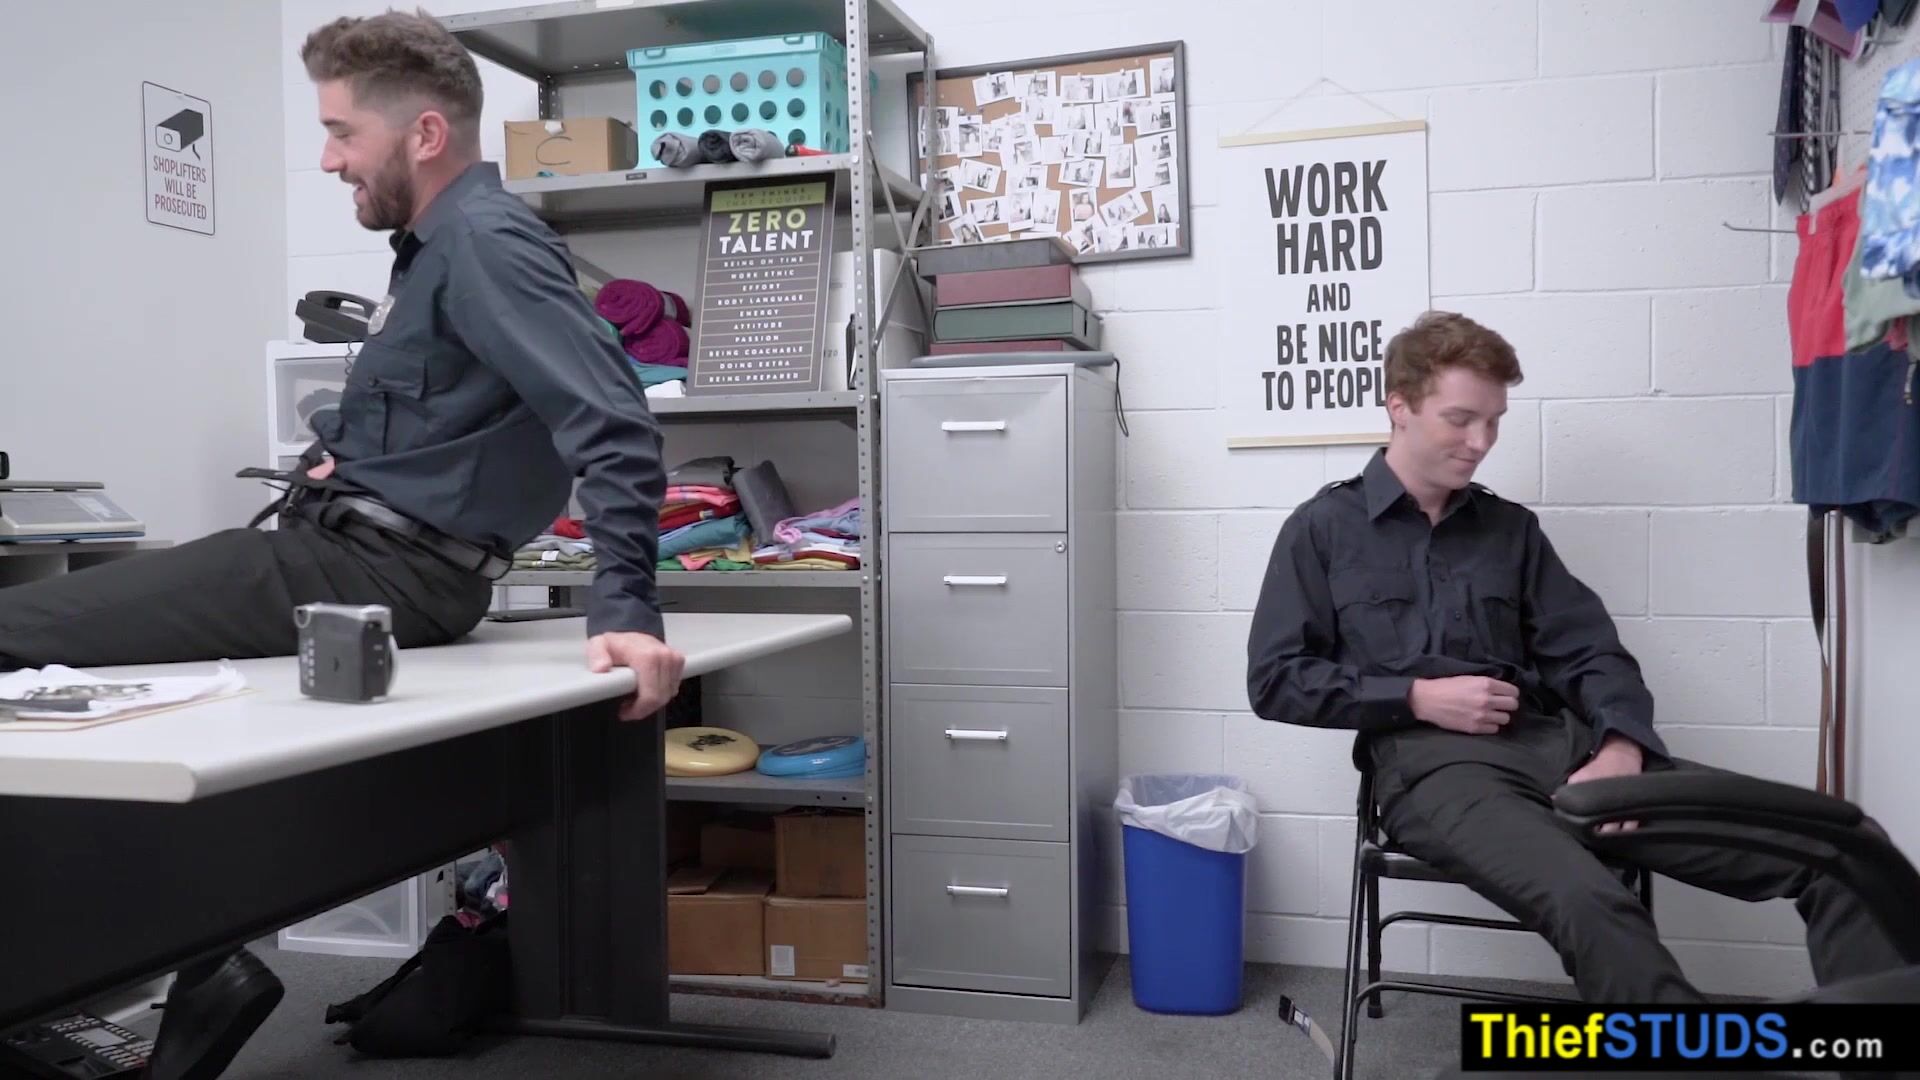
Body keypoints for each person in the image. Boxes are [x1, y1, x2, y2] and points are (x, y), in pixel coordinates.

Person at [0, 11, 684, 1077]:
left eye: (339, 133)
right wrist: (351, 457)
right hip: (372, 552)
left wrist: (627, 608)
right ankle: (116, 970)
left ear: (423, 134)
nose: (328, 159)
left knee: (13, 626)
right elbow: (468, 418)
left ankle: (44, 981)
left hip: (374, 569)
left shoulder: (484, 244)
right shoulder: (439, 248)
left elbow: (613, 420)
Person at [1244, 310, 1903, 1004]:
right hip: (1435, 771)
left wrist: (1620, 746)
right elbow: (1275, 679)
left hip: (1568, 751)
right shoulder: (1322, 529)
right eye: (1461, 419)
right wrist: (1414, 696)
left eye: (1494, 422)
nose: (1481, 442)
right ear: (1399, 407)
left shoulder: (1510, 530)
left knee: (1842, 851)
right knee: (1595, 906)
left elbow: (1591, 652)